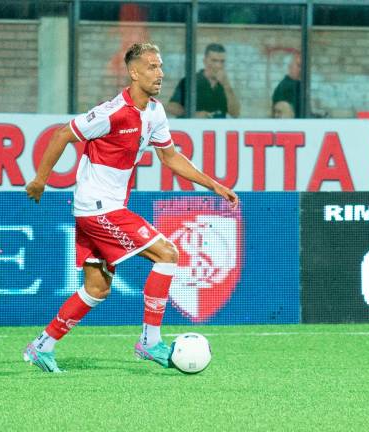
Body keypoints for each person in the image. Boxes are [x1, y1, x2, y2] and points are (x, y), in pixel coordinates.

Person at [23, 43, 239, 373]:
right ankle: (150, 342)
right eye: (152, 67)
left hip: (103, 207)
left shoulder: (154, 112)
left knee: (97, 288)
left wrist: (213, 184)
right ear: (134, 72)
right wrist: (40, 180)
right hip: (98, 208)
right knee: (167, 254)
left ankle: (43, 345)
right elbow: (63, 134)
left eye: (161, 66)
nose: (161, 73)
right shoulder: (113, 112)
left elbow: (170, 157)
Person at [166, 43, 240, 119]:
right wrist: (193, 114)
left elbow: (235, 113)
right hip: (195, 128)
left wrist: (226, 85)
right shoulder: (191, 81)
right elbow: (171, 107)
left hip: (218, 129)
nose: (218, 65)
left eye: (222, 61)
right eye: (214, 61)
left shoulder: (225, 85)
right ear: (205, 61)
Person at [272, 52, 301, 118]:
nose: (301, 70)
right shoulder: (285, 87)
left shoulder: (298, 85)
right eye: (298, 65)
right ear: (290, 66)